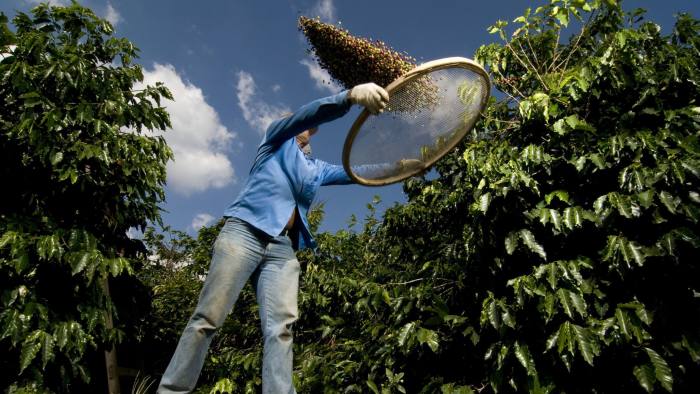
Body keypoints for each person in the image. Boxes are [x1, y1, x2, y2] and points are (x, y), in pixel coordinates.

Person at [157, 83, 389, 393]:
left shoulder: (314, 168)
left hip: (282, 249)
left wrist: (402, 166)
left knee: (281, 329)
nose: (304, 126)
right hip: (245, 232)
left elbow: (355, 172)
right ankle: (172, 391)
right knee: (207, 318)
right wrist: (349, 97)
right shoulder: (275, 140)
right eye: (299, 122)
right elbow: (307, 114)